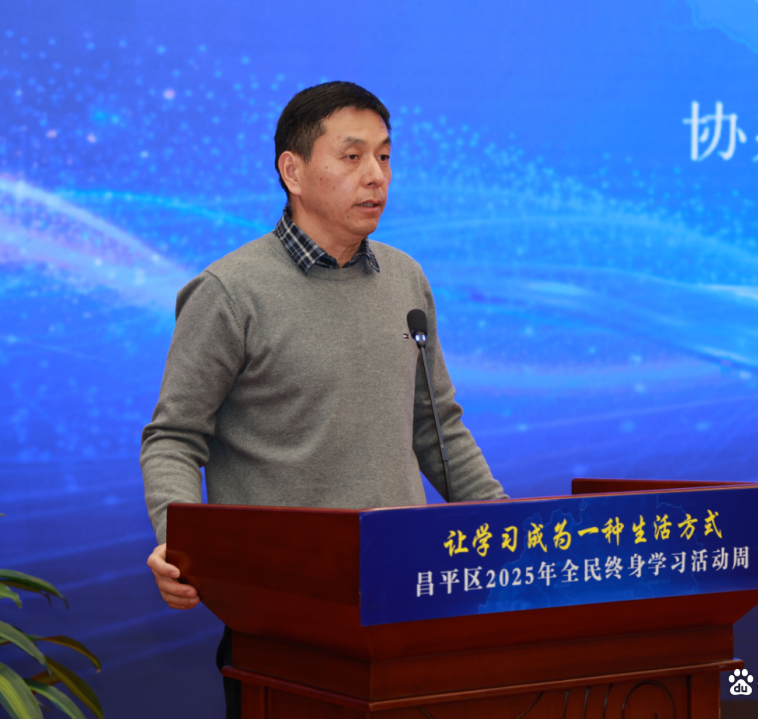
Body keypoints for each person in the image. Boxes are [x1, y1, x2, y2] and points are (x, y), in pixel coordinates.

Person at [140, 81, 507, 718]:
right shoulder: (230, 291)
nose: (376, 176)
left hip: (406, 600)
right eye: (353, 156)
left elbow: (437, 427)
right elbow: (174, 437)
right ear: (293, 172)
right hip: (282, 618)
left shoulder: (406, 279)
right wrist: (181, 541)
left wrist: (506, 531)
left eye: (385, 157)